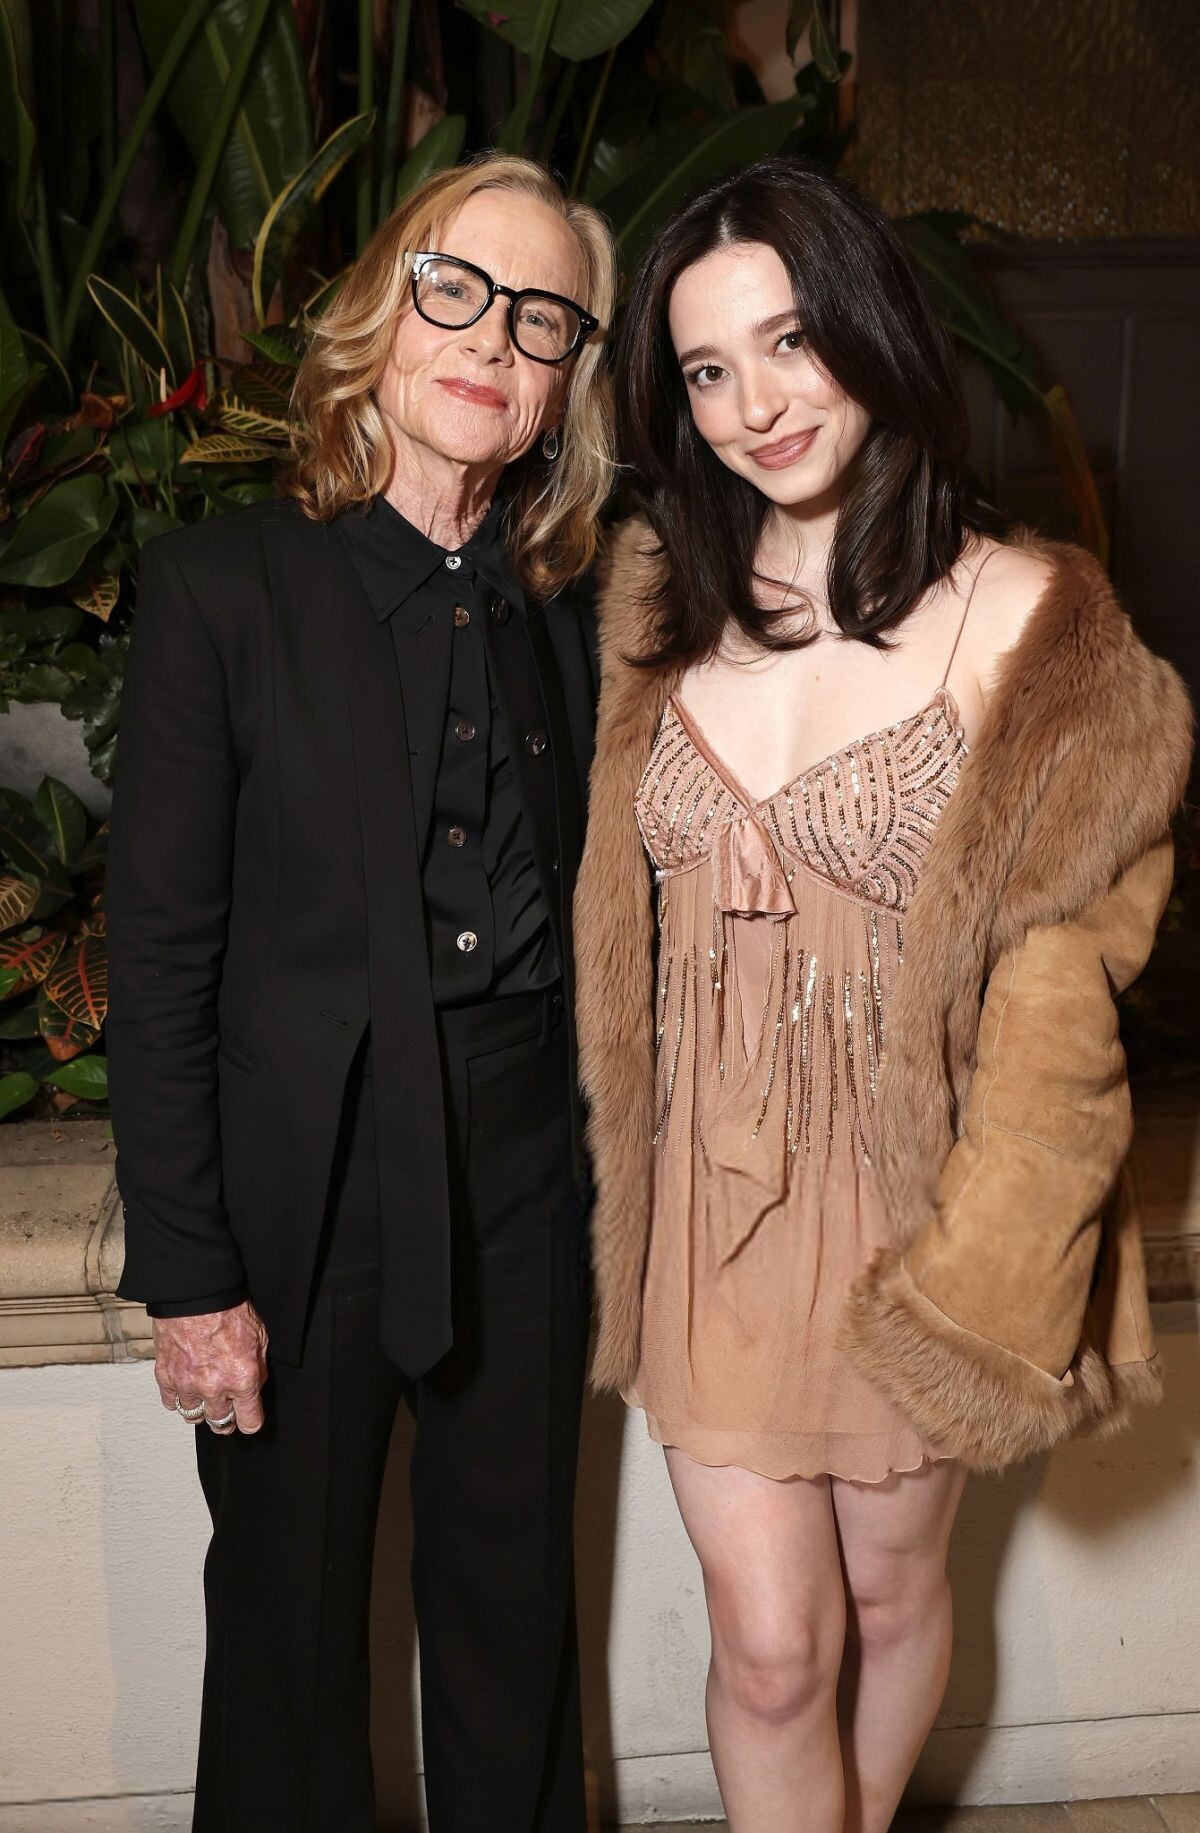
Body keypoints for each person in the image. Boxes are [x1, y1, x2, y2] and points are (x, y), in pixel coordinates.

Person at [574, 156, 1191, 1833]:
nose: (757, 406)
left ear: (870, 327)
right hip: (710, 1195)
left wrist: (996, 1258)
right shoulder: (657, 600)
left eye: (791, 341)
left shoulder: (1032, 618)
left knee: (897, 1595)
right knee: (773, 1646)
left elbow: (1071, 988)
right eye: (708, 370)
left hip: (911, 1200)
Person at [107, 152, 617, 1833]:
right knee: (287, 1635)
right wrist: (192, 1274)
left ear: (564, 384)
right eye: (454, 289)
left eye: (539, 318)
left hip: (526, 1173)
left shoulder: (578, 608)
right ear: (378, 315)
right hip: (306, 1195)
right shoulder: (221, 591)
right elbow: (160, 961)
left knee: (514, 1620)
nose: (490, 339)